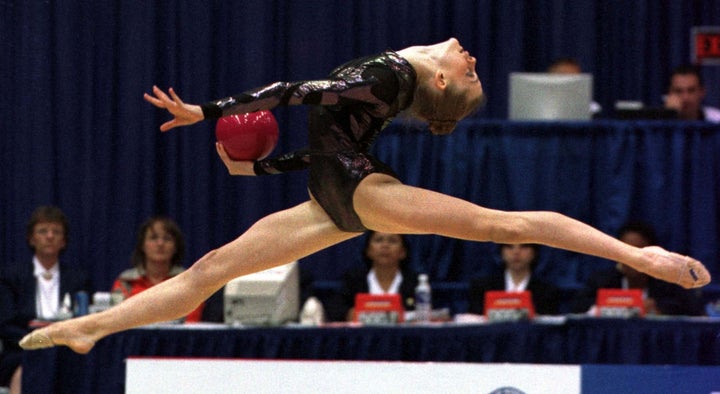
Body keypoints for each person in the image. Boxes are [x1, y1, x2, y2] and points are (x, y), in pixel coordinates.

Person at [19, 37, 709, 354]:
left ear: (440, 85)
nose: (470, 60)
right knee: (206, 273)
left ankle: (641, 259)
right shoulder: (402, 76)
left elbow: (301, 93)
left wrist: (208, 108)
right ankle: (90, 329)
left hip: (360, 194)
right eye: (471, 71)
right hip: (333, 197)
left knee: (507, 224)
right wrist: (262, 173)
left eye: (466, 74)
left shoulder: (387, 76)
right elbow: (326, 139)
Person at [0, 206, 91, 393]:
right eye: (43, 231)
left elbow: (85, 320)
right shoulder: (11, 277)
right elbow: (5, 324)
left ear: (64, 241)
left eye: (56, 232)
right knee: (23, 372)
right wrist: (40, 341)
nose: (49, 236)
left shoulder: (79, 279)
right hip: (23, 350)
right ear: (31, 239)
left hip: (67, 350)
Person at [570, 221, 705, 316]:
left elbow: (694, 311)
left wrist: (658, 308)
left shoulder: (668, 282)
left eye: (638, 251)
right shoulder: (601, 280)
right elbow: (577, 308)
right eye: (626, 251)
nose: (632, 259)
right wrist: (615, 306)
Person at [111, 216, 205, 323]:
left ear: (175, 247)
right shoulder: (125, 282)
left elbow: (192, 324)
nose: (160, 244)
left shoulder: (188, 281)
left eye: (167, 239)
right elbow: (117, 322)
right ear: (142, 245)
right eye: (153, 238)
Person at [325, 231, 418, 322]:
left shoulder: (415, 282)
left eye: (392, 241)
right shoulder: (354, 279)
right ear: (368, 250)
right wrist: (350, 314)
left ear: (403, 251)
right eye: (378, 240)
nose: (385, 246)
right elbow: (336, 309)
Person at [467, 244, 560, 315]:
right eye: (510, 247)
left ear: (534, 252)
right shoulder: (483, 287)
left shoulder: (547, 291)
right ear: (501, 252)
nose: (516, 252)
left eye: (524, 247)